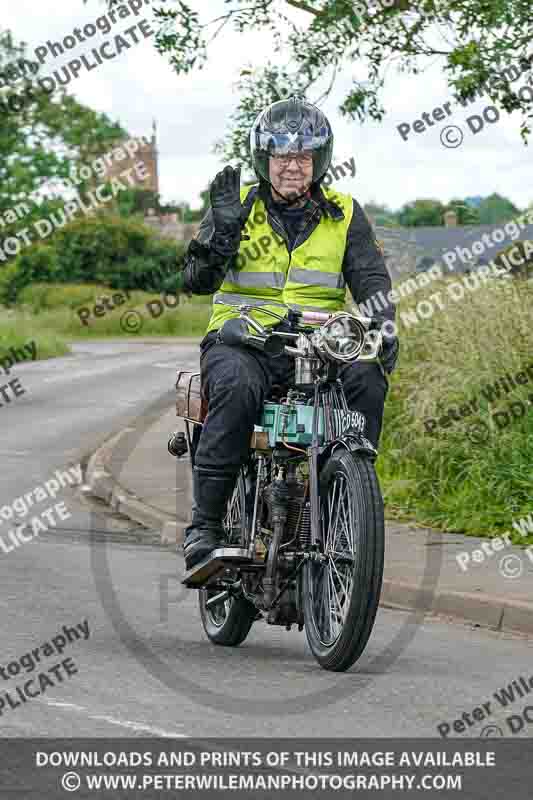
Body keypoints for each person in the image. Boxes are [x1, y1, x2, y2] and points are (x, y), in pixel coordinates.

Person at [180, 95, 399, 571]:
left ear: (318, 161)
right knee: (237, 389)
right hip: (242, 342)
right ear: (266, 159)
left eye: (303, 157)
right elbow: (196, 283)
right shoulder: (234, 205)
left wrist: (385, 324)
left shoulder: (344, 212)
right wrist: (220, 237)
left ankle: (344, 499)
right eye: (282, 156)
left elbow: (371, 279)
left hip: (320, 346)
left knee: (367, 378)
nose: (293, 167)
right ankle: (205, 526)